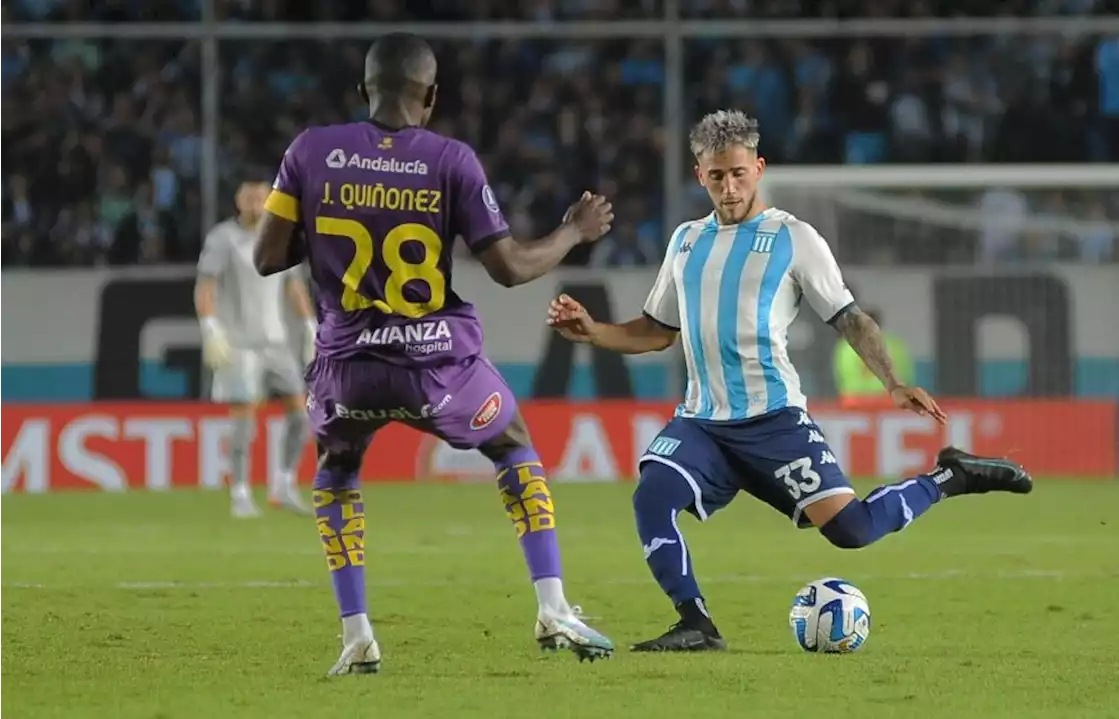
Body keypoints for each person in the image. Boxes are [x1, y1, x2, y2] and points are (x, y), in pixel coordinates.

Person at [547, 109, 1033, 653]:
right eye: (716, 176)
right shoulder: (685, 242)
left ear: (758, 168)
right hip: (702, 423)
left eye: (738, 174)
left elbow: (850, 316)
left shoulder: (793, 238)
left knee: (852, 532)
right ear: (698, 175)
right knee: (651, 499)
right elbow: (658, 331)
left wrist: (893, 382)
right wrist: (593, 332)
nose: (728, 188)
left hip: (773, 421)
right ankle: (697, 624)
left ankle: (951, 478)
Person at [250, 33, 617, 675]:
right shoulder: (450, 160)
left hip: (346, 369)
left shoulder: (309, 151)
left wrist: (334, 217)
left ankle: (357, 635)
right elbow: (508, 267)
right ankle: (553, 606)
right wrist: (572, 232)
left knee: (336, 474)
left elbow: (266, 258)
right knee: (513, 443)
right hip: (434, 364)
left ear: (366, 87)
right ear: (433, 95)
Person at [195, 178, 314, 518]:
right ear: (238, 200)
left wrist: (309, 324)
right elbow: (205, 286)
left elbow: (294, 286)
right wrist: (210, 327)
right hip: (239, 344)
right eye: (248, 197)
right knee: (244, 421)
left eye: (260, 197)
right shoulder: (223, 238)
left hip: (276, 342)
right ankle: (241, 494)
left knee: (300, 416)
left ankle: (284, 484)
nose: (254, 203)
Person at [833, 307, 913, 409]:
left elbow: (840, 375)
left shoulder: (845, 346)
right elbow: (907, 374)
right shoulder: (895, 344)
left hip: (854, 402)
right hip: (887, 401)